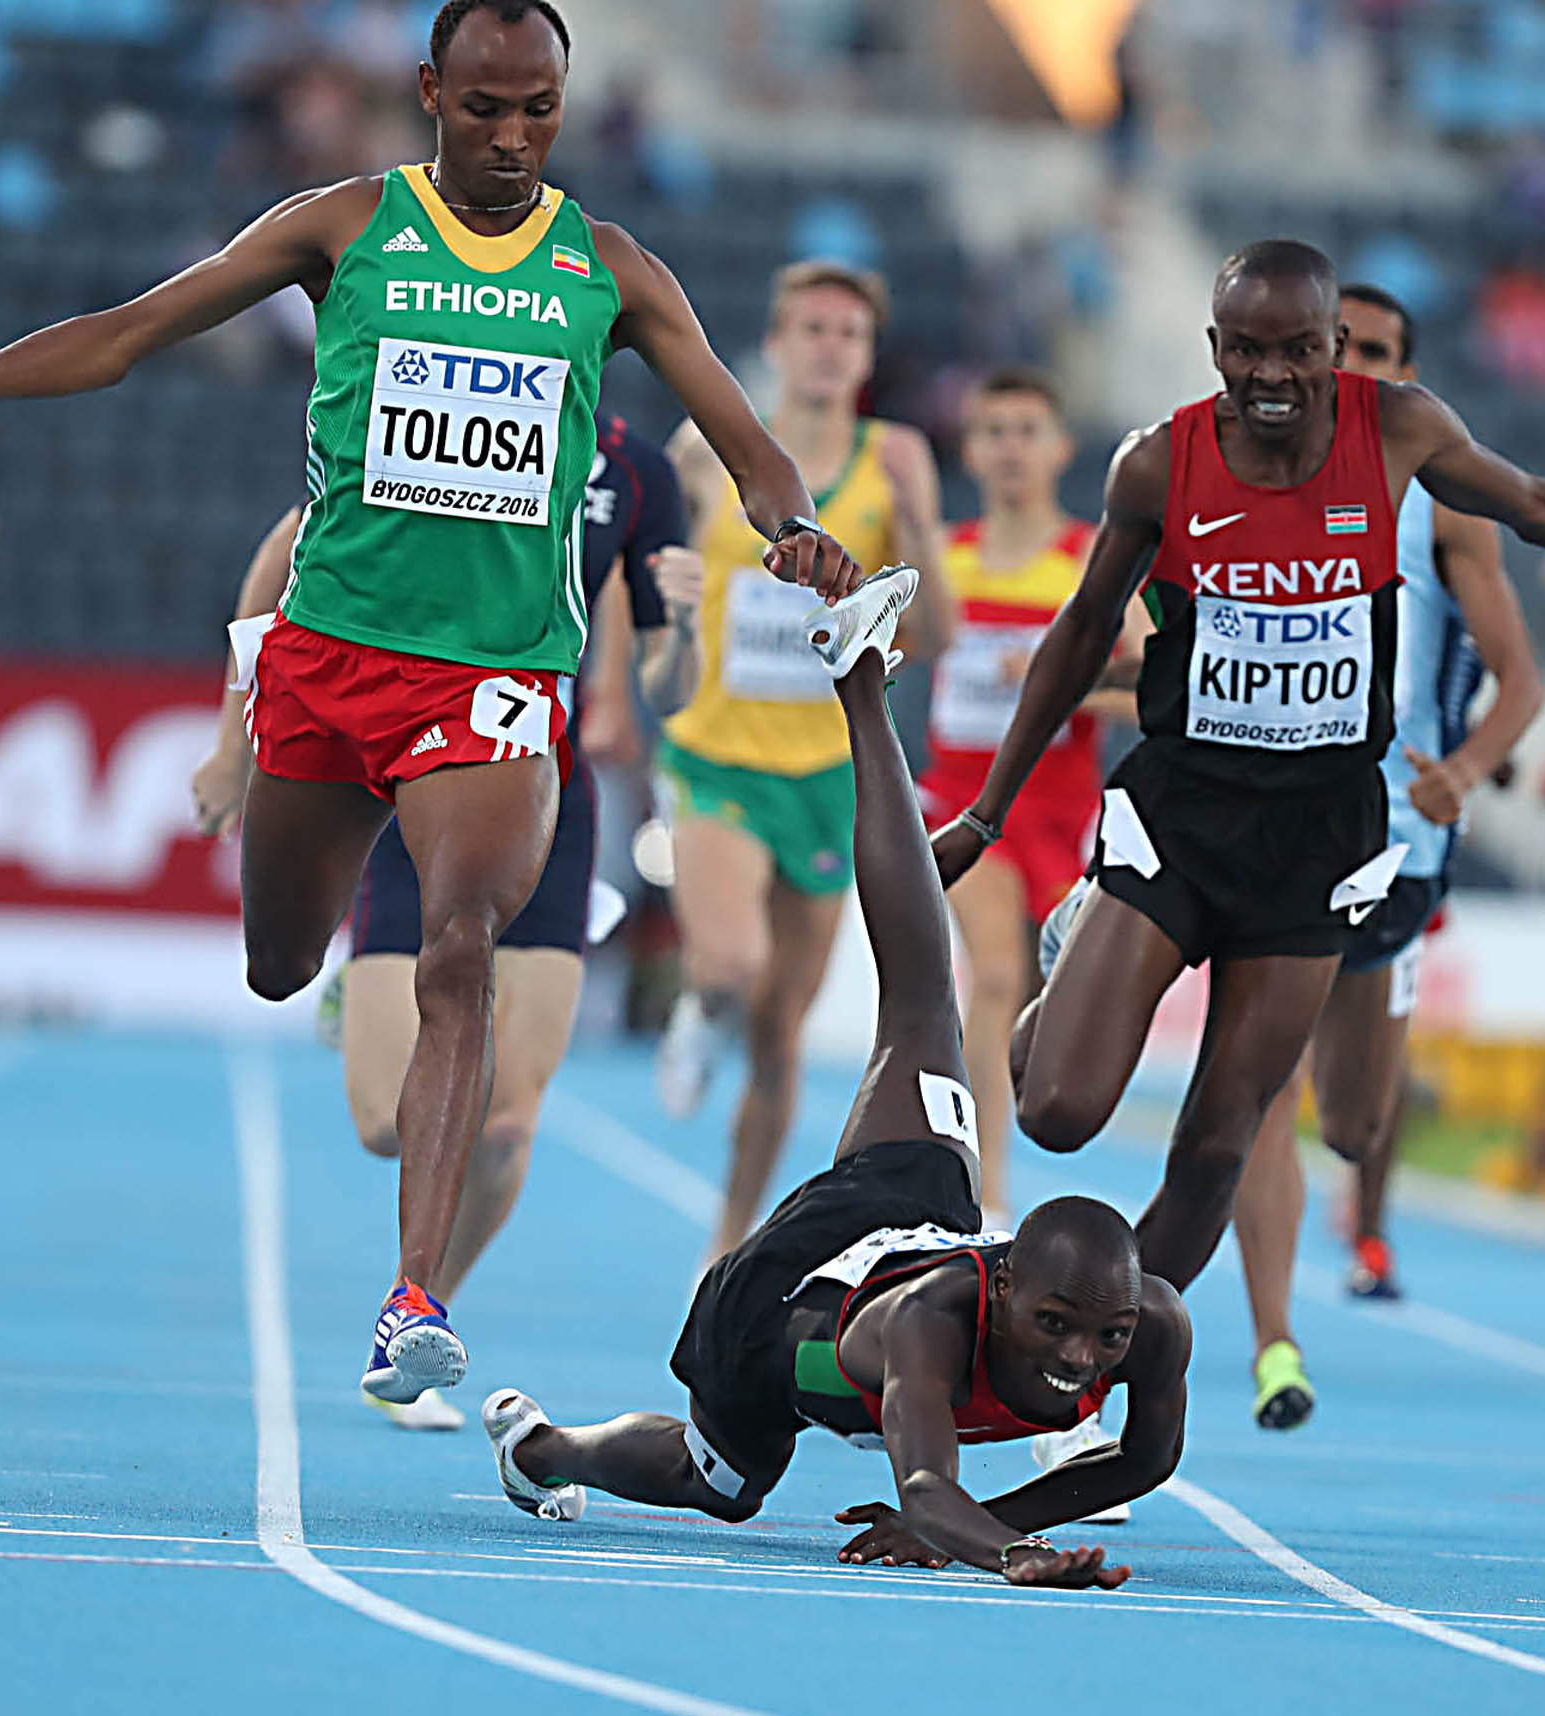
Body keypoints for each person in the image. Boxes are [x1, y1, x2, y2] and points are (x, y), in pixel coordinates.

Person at [0, 0, 865, 1410]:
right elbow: (133, 334)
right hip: (329, 661)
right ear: (431, 91)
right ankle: (329, 973)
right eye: (485, 108)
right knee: (276, 959)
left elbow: (750, 448)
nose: (512, 139)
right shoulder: (344, 227)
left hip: (495, 677)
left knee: (461, 949)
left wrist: (794, 529)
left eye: (539, 112)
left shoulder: (609, 268)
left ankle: (414, 1302)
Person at [929, 240, 1545, 1305]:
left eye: (1298, 350)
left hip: (1322, 826)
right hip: (1185, 810)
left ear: (1334, 346)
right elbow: (1078, 632)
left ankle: (1111, 1344)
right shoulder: (1159, 463)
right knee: (1057, 1110)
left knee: (1224, 1136)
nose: (1271, 375)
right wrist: (988, 811)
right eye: (1246, 351)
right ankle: (1074, 956)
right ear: (1214, 347)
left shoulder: (1396, 432)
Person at [482, 566, 1191, 1589]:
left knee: (920, 1003)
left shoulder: (1148, 1324)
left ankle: (860, 672)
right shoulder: (929, 1323)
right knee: (722, 1484)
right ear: (1001, 1283)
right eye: (1058, 1326)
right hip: (782, 1318)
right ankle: (546, 1452)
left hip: (908, 1210)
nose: (1082, 1357)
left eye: (1104, 1335)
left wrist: (978, 1524)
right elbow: (927, 1491)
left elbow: (1144, 1459)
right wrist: (1011, 1552)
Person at [190, 412, 697, 1429]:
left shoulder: (636, 472)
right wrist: (234, 744)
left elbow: (667, 690)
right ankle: (361, 992)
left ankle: (415, 1317)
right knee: (388, 1123)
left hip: (539, 789)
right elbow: (286, 556)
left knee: (505, 1123)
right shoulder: (452, 394)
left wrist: (682, 629)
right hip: (406, 764)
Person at [1224, 281, 1545, 1431]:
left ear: (1406, 375)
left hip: (1398, 836)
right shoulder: (1236, 475)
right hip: (1270, 828)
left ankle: (1378, 1038)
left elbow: (1523, 684)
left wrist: (1466, 769)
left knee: (1355, 1123)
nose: (1351, 368)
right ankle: (1274, 1342)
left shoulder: (1441, 502)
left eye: (1378, 353)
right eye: (1337, 346)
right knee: (1258, 1085)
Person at [653, 259, 948, 1260]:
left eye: (849, 334)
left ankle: (726, 1243)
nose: (829, 348)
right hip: (717, 756)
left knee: (781, 1037)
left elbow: (936, 634)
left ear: (868, 357)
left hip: (828, 778)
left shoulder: (894, 457)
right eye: (812, 329)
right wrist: (638, 661)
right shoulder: (706, 450)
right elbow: (650, 575)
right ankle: (699, 1001)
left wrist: (916, 525)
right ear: (776, 345)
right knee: (730, 963)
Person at [916, 368, 1148, 1224]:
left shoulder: (1087, 560)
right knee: (996, 973)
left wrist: (1058, 683)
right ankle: (985, 1192)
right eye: (995, 432)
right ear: (971, 450)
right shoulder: (944, 557)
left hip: (1061, 813)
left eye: (1027, 432)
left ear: (1060, 450)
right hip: (962, 803)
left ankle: (979, 1139)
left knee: (1044, 997)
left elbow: (1151, 686)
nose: (1011, 449)